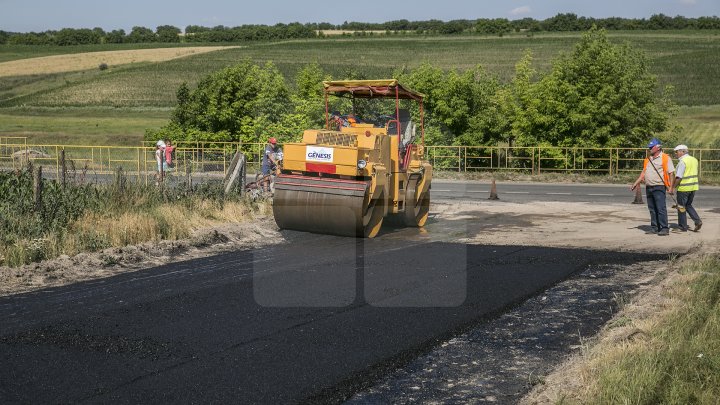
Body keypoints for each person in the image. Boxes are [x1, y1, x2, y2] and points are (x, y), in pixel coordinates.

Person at [631, 138, 675, 236]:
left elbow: (671, 173)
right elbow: (643, 172)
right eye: (649, 147)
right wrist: (636, 183)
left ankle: (664, 228)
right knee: (652, 209)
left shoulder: (665, 158)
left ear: (658, 147)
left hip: (659, 187)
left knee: (660, 208)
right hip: (649, 187)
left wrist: (671, 187)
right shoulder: (648, 159)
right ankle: (654, 228)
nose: (649, 149)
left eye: (651, 147)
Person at [670, 144, 702, 232]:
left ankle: (682, 226)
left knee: (681, 207)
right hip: (693, 187)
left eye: (677, 152)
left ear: (682, 152)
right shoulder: (694, 160)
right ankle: (697, 221)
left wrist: (672, 187)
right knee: (688, 205)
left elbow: (679, 177)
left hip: (684, 188)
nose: (675, 154)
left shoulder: (682, 162)